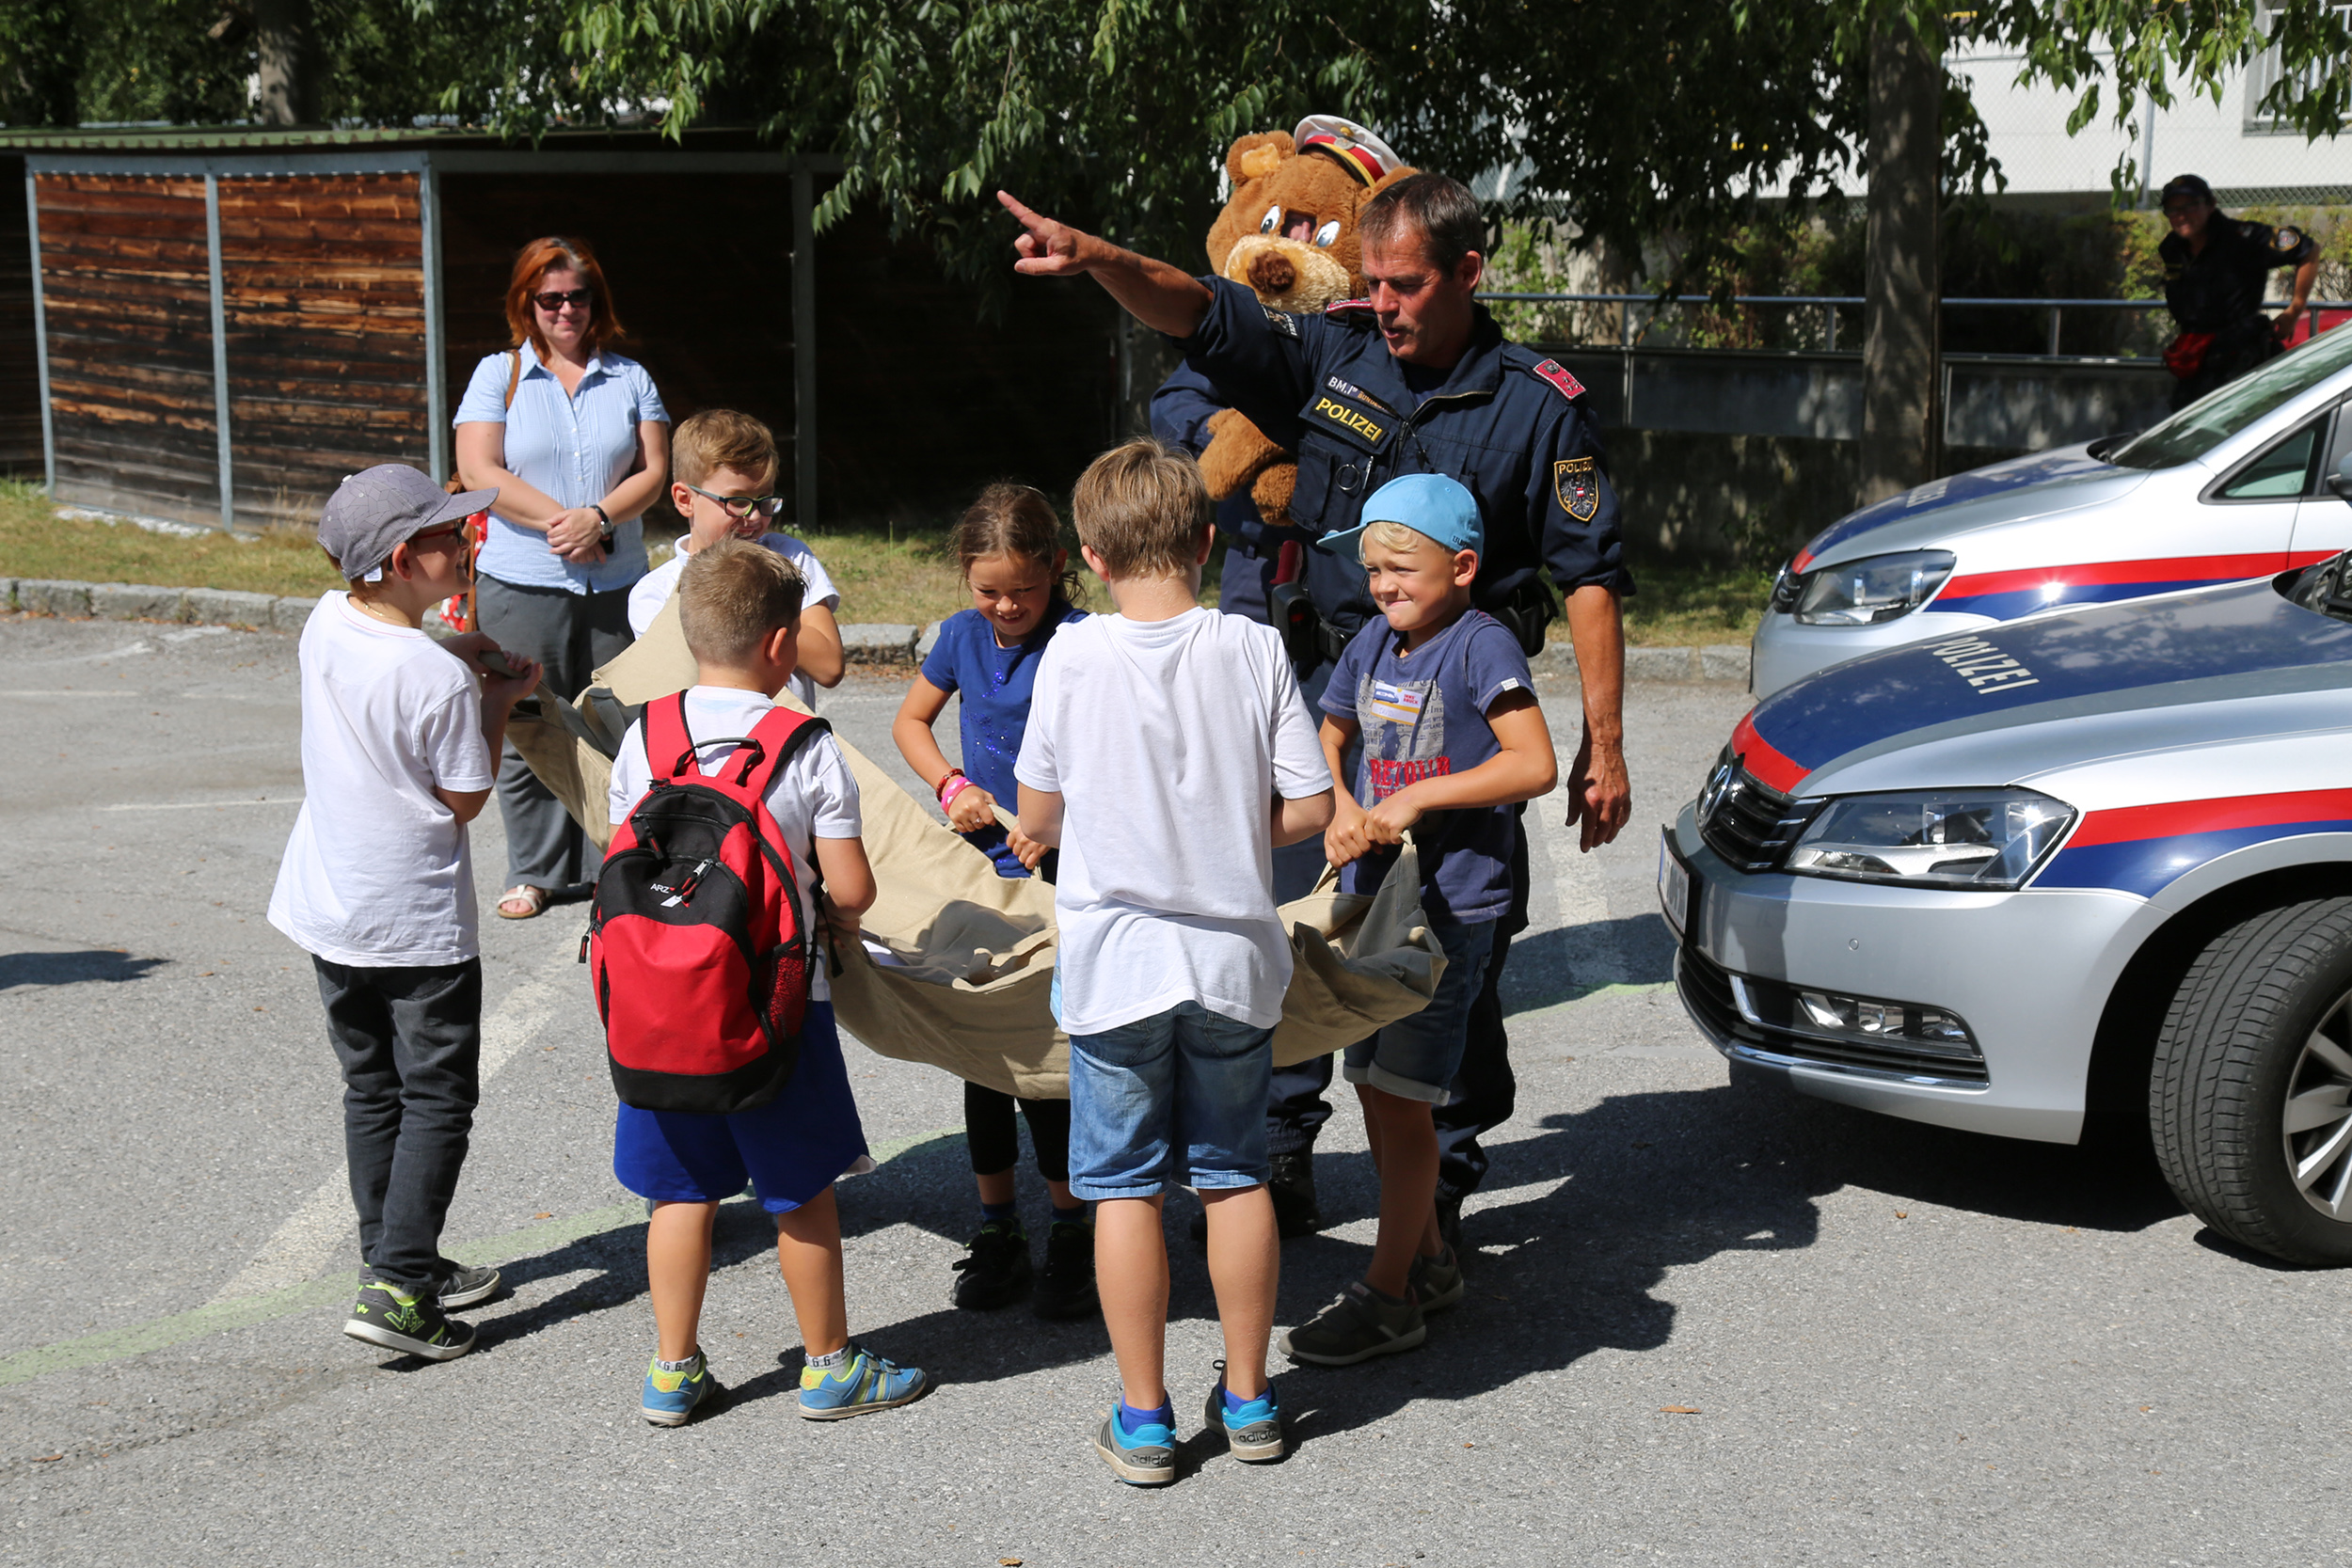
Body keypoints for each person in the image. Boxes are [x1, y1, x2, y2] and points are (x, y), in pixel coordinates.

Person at [998, 171, 1633, 1251]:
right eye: (1372, 281)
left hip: (1455, 713)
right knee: (1289, 918)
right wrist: (1098, 256)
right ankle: (1283, 1143)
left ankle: (1438, 1186)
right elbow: (1203, 313)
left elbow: (1589, 575)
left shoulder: (1537, 405)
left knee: (1450, 944)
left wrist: (1602, 744)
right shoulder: (1334, 349)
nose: (1382, 303)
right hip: (1322, 693)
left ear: (1467, 273)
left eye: (1405, 285)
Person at [1015, 438, 1335, 1484]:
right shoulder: (1252, 646)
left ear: (1090, 557)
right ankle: (1250, 1396)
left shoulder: (1070, 656)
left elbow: (1039, 815)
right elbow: (1310, 806)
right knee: (1235, 1174)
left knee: (1122, 1186)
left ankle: (1145, 1416)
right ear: (1206, 540)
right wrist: (1231, 834)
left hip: (1116, 963)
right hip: (1232, 960)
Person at [605, 538, 926, 1426]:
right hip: (777, 1010)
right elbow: (851, 888)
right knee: (799, 1192)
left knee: (679, 1194)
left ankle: (672, 1370)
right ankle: (829, 1366)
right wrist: (838, 921)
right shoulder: (807, 745)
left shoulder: (644, 734)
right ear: (783, 644)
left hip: (661, 1011)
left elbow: (620, 858)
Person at [266, 464, 545, 1362]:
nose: (467, 542)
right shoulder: (435, 677)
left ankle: (391, 1254)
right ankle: (399, 1288)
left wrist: (460, 650)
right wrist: (495, 697)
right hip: (414, 922)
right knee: (437, 1096)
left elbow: (389, 657)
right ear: (399, 560)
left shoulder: (327, 619)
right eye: (447, 534)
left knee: (372, 1086)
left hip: (331, 905)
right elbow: (464, 797)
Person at [1279, 475, 1556, 1365]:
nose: (1383, 585)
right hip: (1376, 901)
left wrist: (1420, 797)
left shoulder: (1481, 646)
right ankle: (1428, 1262)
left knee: (1403, 1101)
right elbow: (1329, 732)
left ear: (1463, 567)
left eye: (1401, 567)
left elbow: (1535, 763)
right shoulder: (1374, 640)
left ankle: (1388, 1295)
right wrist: (1338, 804)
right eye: (1372, 569)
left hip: (1449, 912)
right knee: (1373, 1085)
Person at [888, 483, 1096, 1319]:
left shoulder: (1083, 642)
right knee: (981, 1057)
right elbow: (911, 723)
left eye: (1025, 589)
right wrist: (951, 785)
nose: (1007, 606)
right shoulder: (960, 637)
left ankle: (1073, 1228)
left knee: (1046, 1058)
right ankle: (998, 1225)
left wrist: (1058, 823)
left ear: (1058, 567)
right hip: (982, 873)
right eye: (989, 590)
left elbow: (1113, 752)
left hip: (1063, 874)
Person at [454, 234, 671, 922]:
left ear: (595, 301)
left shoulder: (631, 378)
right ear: (527, 304)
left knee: (622, 722)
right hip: (521, 579)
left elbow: (655, 471)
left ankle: (621, 861)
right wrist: (568, 524)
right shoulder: (499, 375)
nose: (565, 309)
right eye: (550, 299)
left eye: (578, 296)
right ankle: (535, 870)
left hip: (617, 581)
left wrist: (599, 519)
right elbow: (479, 468)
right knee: (527, 719)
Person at [628, 408, 846, 710]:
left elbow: (829, 667)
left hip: (787, 734)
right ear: (685, 500)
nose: (754, 517)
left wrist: (755, 585)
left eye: (765, 500)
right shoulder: (655, 594)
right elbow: (678, 686)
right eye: (738, 501)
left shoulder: (791, 557)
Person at [2158, 173, 2321, 411]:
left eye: (2190, 206)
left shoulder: (2245, 237)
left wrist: (2294, 310)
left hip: (2243, 355)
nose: (2181, 215)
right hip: (2197, 357)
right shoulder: (2171, 247)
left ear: (2211, 204)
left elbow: (2309, 249)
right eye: (2172, 210)